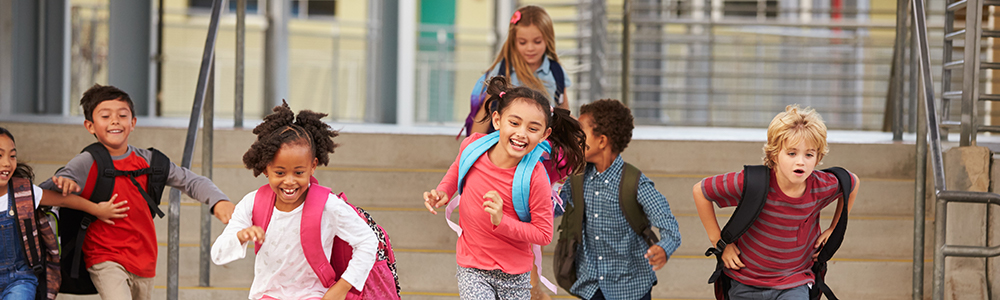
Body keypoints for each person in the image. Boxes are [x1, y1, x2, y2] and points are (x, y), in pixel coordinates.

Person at [38, 84, 235, 300]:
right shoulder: (86, 162)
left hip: (144, 259)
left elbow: (191, 181)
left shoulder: (151, 162)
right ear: (90, 126)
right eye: (105, 116)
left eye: (122, 115)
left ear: (133, 123)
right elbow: (39, 193)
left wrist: (218, 200)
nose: (115, 120)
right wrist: (63, 183)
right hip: (104, 257)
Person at [423, 76, 585, 299]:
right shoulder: (473, 146)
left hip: (516, 274)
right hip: (472, 266)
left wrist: (502, 221)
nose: (521, 133)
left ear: (544, 135)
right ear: (498, 121)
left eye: (533, 128)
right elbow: (458, 167)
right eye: (514, 123)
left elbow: (544, 234)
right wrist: (443, 191)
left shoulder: (535, 176)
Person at [211, 102, 378, 300]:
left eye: (299, 172)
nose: (289, 181)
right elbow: (218, 255)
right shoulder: (252, 203)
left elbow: (368, 241)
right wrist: (240, 236)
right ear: (266, 169)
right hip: (266, 295)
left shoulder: (328, 206)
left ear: (313, 166)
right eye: (279, 172)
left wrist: (341, 289)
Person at [692, 105, 861, 299]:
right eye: (791, 153)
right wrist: (721, 244)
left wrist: (834, 228)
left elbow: (852, 183)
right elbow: (700, 191)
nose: (801, 162)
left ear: (818, 158)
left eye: (809, 154)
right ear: (774, 154)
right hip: (745, 280)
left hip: (794, 282)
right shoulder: (753, 182)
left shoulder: (820, 185)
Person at [559, 99, 681, 300]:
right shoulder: (577, 178)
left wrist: (663, 247)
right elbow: (555, 207)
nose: (574, 138)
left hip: (630, 286)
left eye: (581, 133)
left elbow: (669, 225)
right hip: (591, 285)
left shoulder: (634, 183)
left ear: (602, 141)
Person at [0, 126, 128, 299]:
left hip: (19, 278)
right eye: (0, 155)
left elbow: (63, 200)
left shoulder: (23, 191)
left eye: (12, 155)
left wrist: (97, 209)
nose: (7, 163)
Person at [465, 5, 572, 136]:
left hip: (544, 147)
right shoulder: (503, 71)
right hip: (507, 146)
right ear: (513, 42)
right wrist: (471, 149)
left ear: (547, 40)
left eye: (537, 42)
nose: (530, 48)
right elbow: (485, 111)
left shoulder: (557, 72)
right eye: (522, 42)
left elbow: (565, 112)